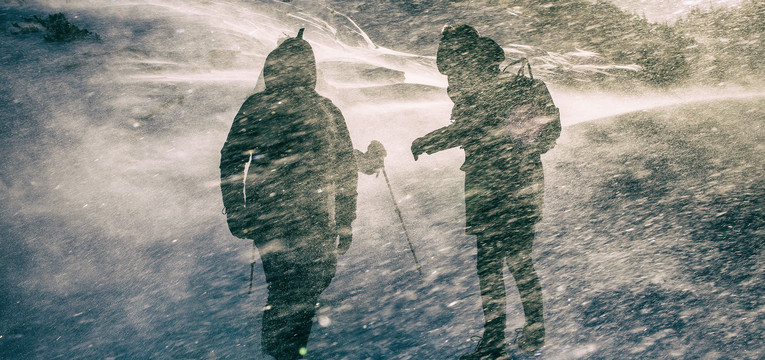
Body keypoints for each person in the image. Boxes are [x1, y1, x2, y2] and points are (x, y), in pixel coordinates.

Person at [219, 29, 383, 360]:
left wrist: (238, 209)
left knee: (286, 290)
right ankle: (287, 352)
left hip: (271, 218)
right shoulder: (325, 110)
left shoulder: (259, 105)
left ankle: (282, 351)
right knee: (303, 291)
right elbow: (344, 167)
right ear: (309, 70)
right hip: (315, 218)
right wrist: (346, 220)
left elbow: (232, 157)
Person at [411, 25, 560, 359]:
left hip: (493, 185)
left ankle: (495, 341)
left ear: (468, 60)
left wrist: (429, 141)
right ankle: (532, 331)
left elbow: (469, 129)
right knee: (517, 259)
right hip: (519, 183)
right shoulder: (508, 85)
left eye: (455, 68)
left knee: (492, 264)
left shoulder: (484, 89)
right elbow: (479, 129)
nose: (453, 81)